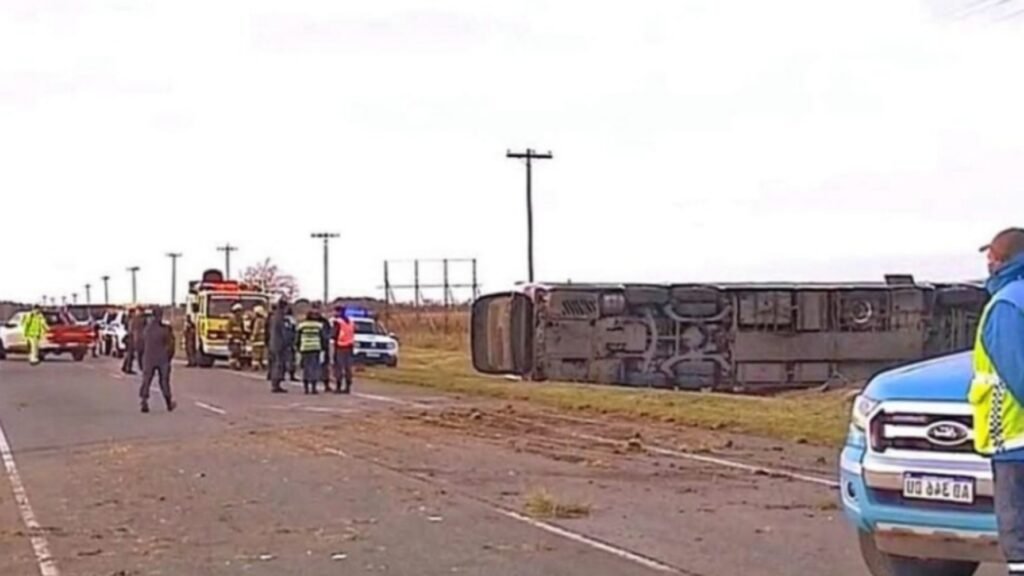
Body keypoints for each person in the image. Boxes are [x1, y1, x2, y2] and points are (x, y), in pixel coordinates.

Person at [969, 227, 1024, 576]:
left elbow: (1018, 374)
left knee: (1017, 530)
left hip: (1013, 439)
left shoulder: (1006, 305)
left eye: (990, 255)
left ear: (1002, 259)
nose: (987, 261)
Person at [139, 308, 177, 413]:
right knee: (164, 381)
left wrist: (141, 359)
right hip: (162, 359)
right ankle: (168, 403)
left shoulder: (146, 330)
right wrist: (169, 357)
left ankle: (144, 401)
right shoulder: (165, 330)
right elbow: (171, 345)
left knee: (146, 381)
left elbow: (140, 345)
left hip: (148, 358)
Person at [296, 308, 328, 395]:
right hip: (316, 348)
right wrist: (324, 348)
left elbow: (297, 338)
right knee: (314, 368)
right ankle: (313, 388)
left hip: (305, 348)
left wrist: (298, 347)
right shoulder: (319, 325)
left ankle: (306, 388)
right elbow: (323, 338)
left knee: (306, 368)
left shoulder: (302, 325)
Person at [332, 306, 355, 394]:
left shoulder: (338, 322)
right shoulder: (350, 321)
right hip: (349, 346)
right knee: (348, 367)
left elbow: (334, 334)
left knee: (339, 367)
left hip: (340, 346)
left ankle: (338, 387)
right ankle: (348, 387)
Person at [267, 301, 289, 394]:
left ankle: (275, 383)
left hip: (273, 343)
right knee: (278, 364)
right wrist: (286, 342)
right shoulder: (280, 318)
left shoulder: (273, 317)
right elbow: (283, 332)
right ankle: (276, 384)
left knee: (275, 363)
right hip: (279, 344)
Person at [226, 302, 249, 370]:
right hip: (233, 338)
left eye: (240, 311)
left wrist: (244, 336)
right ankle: (232, 364)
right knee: (234, 352)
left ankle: (236, 364)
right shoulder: (231, 320)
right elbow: (228, 329)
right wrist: (230, 336)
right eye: (238, 311)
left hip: (239, 338)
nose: (239, 313)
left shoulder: (241, 320)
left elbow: (242, 328)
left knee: (239, 352)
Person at [250, 305, 268, 372]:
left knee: (256, 354)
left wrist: (252, 337)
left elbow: (255, 330)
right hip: (263, 340)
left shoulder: (257, 321)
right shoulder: (264, 320)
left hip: (257, 340)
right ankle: (263, 365)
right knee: (263, 354)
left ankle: (255, 366)